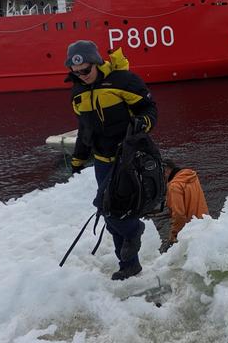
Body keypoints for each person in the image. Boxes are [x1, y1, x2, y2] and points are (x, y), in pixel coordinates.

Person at [66, 40, 157, 281]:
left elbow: (149, 109)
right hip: (102, 162)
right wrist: (77, 160)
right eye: (76, 72)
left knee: (115, 212)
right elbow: (84, 130)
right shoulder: (78, 93)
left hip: (127, 158)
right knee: (109, 212)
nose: (81, 76)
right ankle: (128, 265)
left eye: (85, 70)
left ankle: (135, 230)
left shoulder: (122, 81)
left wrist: (142, 124)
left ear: (96, 62)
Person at [161, 158, 209, 251]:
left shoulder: (174, 186)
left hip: (190, 230)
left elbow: (179, 214)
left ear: (166, 170)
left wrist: (174, 235)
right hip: (205, 223)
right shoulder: (191, 176)